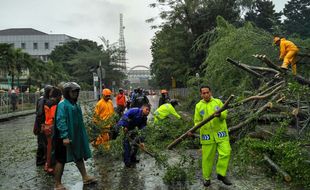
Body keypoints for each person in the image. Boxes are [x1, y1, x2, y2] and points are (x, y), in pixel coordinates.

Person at [53, 82, 96, 189]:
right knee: (61, 160)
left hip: (75, 137)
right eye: (73, 91)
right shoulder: (62, 105)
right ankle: (57, 184)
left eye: (77, 91)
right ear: (67, 92)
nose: (76, 93)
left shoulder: (75, 104)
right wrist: (65, 136)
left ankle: (85, 177)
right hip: (64, 138)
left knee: (78, 156)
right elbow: (60, 121)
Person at [192, 86, 232, 187]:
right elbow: (197, 121)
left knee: (226, 152)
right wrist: (193, 130)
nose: (206, 94)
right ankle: (207, 178)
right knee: (207, 158)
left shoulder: (218, 102)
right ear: (201, 94)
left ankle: (221, 174)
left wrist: (220, 115)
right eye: (203, 93)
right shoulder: (198, 106)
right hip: (207, 136)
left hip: (221, 133)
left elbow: (225, 114)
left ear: (211, 92)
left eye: (207, 92)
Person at [43, 87, 62, 174]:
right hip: (52, 127)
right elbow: (55, 117)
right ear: (57, 96)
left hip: (47, 126)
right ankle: (50, 166)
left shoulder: (46, 101)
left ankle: (47, 165)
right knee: (52, 148)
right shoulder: (54, 104)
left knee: (49, 147)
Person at [33, 85, 53, 166]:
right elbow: (40, 113)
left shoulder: (45, 99)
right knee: (42, 143)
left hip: (44, 124)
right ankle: (40, 160)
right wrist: (41, 125)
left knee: (45, 142)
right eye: (51, 91)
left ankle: (44, 158)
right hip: (42, 124)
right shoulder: (42, 100)